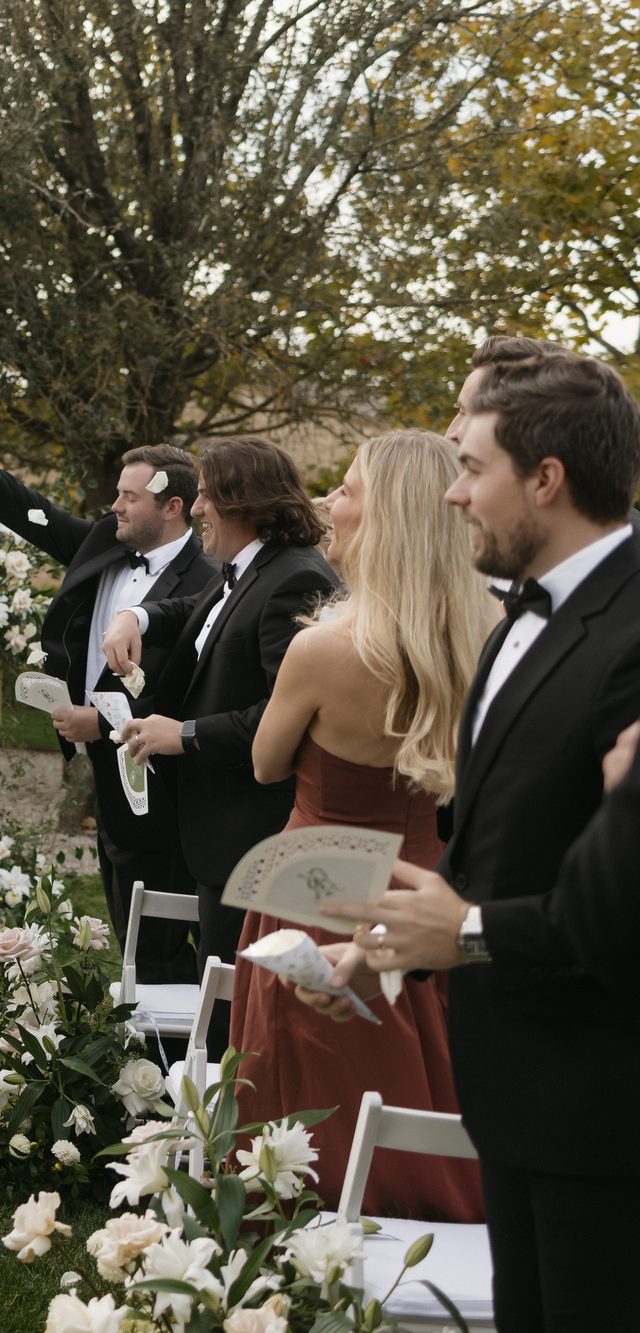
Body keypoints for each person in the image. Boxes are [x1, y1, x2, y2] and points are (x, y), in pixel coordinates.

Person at [301, 342, 640, 1331]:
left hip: (603, 1108)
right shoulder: (514, 621)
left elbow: (618, 904)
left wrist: (470, 936)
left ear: (545, 479)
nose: (450, 496)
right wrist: (383, 946)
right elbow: (483, 846)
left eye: (470, 468)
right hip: (511, 1095)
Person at [230, 430, 492, 1219]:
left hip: (316, 886)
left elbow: (265, 764)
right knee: (427, 1077)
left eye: (345, 490)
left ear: (390, 517)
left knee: (306, 1099)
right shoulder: (483, 635)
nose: (326, 504)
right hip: (427, 886)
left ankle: (304, 1251)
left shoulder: (323, 649)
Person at [0, 399, 218, 984]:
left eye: (129, 497)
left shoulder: (208, 580)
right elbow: (32, 514)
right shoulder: (105, 542)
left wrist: (102, 722)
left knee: (162, 933)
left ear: (173, 508)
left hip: (166, 785)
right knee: (127, 918)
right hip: (103, 769)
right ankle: (150, 1025)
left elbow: (197, 687)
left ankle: (174, 1048)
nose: (114, 505)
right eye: (118, 493)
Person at [105, 436, 337, 1053]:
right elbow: (196, 609)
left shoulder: (297, 579)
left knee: (241, 1016)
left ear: (240, 500)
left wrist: (182, 734)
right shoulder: (250, 568)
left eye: (206, 494)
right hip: (216, 833)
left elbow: (284, 713)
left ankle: (225, 1131)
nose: (198, 507)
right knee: (220, 997)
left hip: (251, 833)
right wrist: (139, 617)